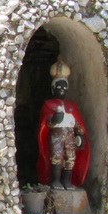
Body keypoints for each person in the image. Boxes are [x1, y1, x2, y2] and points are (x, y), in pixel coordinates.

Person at [36, 59, 89, 190]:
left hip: (70, 134)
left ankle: (67, 181)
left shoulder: (72, 105)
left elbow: (77, 122)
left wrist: (80, 134)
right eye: (59, 88)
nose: (62, 90)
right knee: (56, 156)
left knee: (70, 157)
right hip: (56, 134)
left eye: (64, 88)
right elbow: (45, 122)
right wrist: (52, 120)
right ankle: (55, 180)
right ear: (53, 88)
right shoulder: (48, 105)